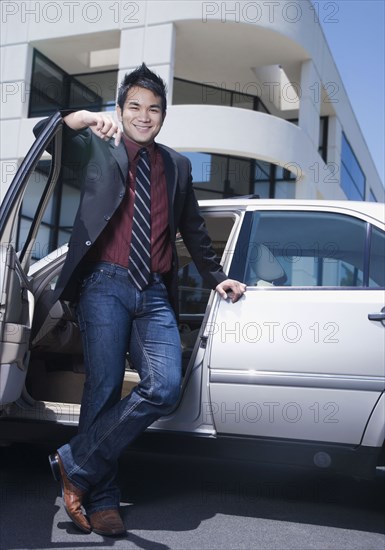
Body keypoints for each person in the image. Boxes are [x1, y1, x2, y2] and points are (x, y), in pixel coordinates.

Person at [36, 63, 246, 537]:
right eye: (134, 106)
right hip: (103, 284)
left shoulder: (178, 165)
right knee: (104, 389)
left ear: (163, 115)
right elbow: (46, 132)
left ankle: (75, 464)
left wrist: (218, 277)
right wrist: (84, 118)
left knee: (166, 386)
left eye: (153, 109)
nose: (144, 116)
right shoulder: (97, 147)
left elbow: (193, 229)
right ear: (120, 109)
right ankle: (103, 498)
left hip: (153, 289)